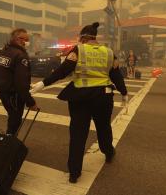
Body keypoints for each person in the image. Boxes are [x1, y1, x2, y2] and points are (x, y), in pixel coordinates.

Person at [30, 22, 128, 183]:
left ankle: (74, 173)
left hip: (80, 98)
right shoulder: (109, 53)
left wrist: (43, 84)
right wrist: (124, 93)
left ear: (83, 38)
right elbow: (117, 75)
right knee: (103, 127)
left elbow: (63, 71)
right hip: (103, 98)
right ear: (94, 38)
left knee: (78, 134)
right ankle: (108, 152)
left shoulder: (79, 50)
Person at [0, 28, 39, 135]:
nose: (27, 42)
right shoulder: (20, 56)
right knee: (15, 119)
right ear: (19, 39)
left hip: (3, 93)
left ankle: (9, 139)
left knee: (12, 116)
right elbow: (21, 83)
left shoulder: (3, 52)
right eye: (26, 40)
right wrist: (30, 102)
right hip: (14, 95)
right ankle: (8, 142)